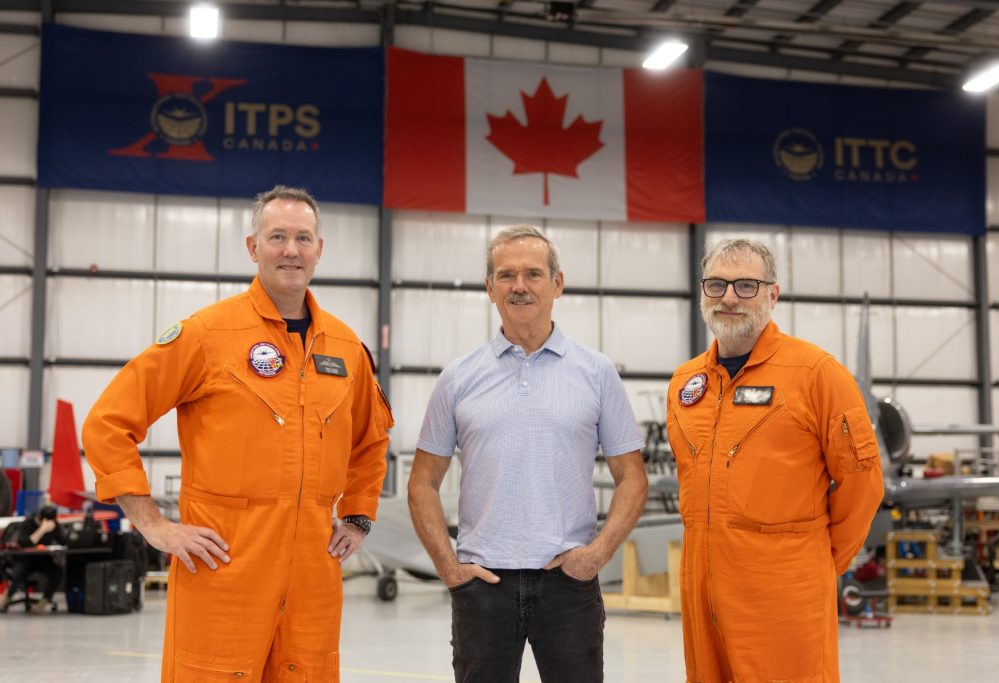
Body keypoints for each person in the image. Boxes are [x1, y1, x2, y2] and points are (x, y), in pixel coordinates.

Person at [83, 186, 392, 681]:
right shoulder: (207, 335)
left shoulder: (347, 348)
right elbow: (108, 423)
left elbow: (372, 441)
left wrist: (357, 516)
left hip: (313, 576)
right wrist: (152, 524)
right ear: (253, 248)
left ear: (319, 249)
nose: (291, 250)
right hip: (223, 568)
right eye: (277, 237)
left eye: (302, 238)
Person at [408, 224, 649, 683]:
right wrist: (447, 566)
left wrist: (596, 556)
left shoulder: (596, 373)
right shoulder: (458, 378)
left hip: (569, 584)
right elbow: (421, 483)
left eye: (534, 274)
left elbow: (632, 478)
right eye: (506, 275)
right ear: (489, 288)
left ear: (558, 284)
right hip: (483, 587)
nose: (520, 286)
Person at [667, 238, 884, 682]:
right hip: (701, 591)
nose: (729, 297)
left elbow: (863, 483)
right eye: (717, 284)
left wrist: (817, 563)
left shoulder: (817, 374)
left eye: (746, 285)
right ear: (702, 292)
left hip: (785, 597)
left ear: (773, 294)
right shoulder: (685, 383)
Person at [0, 504, 67, 614]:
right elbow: (24, 543)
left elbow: (63, 542)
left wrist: (56, 530)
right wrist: (42, 530)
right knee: (18, 573)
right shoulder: (29, 523)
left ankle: (44, 600)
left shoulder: (53, 524)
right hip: (25, 559)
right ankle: (6, 599)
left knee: (57, 572)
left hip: (42, 559)